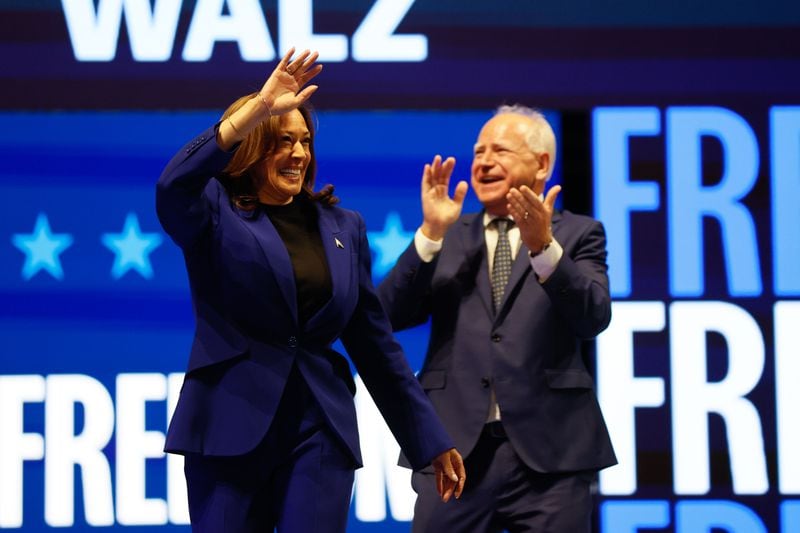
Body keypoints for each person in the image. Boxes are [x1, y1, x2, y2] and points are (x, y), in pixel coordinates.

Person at [155, 48, 465, 532]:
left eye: (304, 142)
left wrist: (429, 439)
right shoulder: (213, 211)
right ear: (252, 148)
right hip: (228, 423)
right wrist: (258, 107)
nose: (298, 153)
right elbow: (173, 185)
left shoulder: (344, 226)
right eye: (283, 140)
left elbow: (375, 345)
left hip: (320, 425)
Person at [378, 105, 617, 532]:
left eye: (501, 150)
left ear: (541, 164)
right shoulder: (448, 234)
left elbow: (593, 317)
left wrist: (544, 248)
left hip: (552, 455)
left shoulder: (578, 234)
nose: (484, 162)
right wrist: (430, 233)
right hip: (453, 453)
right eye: (479, 151)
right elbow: (388, 314)